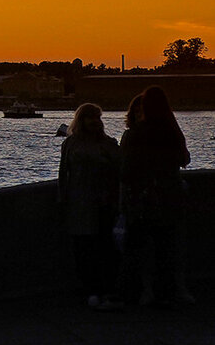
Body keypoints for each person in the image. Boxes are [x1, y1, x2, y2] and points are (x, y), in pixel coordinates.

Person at [119, 86, 191, 306]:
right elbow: (184, 159)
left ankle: (145, 292)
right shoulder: (171, 132)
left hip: (141, 197)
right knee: (168, 247)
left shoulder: (133, 135)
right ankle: (173, 291)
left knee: (140, 248)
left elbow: (125, 170)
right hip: (169, 195)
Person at [57, 104, 121, 310]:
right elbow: (63, 174)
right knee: (83, 247)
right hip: (78, 203)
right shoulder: (70, 144)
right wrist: (62, 199)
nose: (95, 121)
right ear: (81, 120)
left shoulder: (108, 144)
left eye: (97, 117)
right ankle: (91, 289)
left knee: (104, 246)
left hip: (104, 203)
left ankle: (106, 290)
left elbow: (120, 171)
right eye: (90, 117)